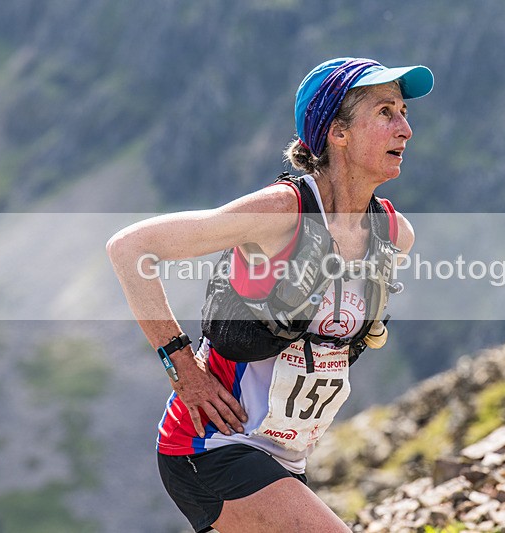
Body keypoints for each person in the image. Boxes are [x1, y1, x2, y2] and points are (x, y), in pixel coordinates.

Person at [107, 57, 433, 532]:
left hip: (285, 458)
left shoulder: (394, 234)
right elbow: (130, 248)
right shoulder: (283, 212)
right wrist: (183, 370)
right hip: (211, 447)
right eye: (386, 112)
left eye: (404, 112)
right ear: (337, 133)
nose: (405, 128)